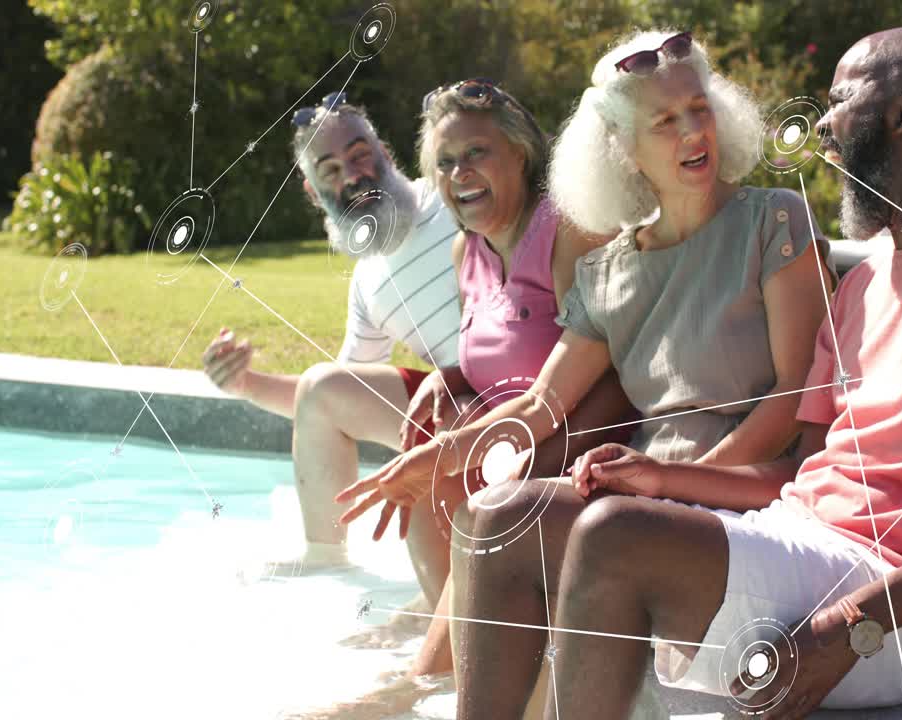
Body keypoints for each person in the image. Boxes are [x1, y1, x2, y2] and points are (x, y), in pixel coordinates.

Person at [451, 27, 902, 719]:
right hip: (796, 542)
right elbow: (800, 476)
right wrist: (664, 482)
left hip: (886, 611)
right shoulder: (865, 284)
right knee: (500, 517)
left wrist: (850, 627)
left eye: (840, 100)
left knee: (611, 536)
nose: (824, 127)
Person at [333, 30, 833, 716]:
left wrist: (684, 489)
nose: (693, 132)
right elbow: (541, 402)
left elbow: (798, 393)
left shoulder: (773, 220)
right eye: (665, 120)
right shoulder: (607, 273)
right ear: (623, 148)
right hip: (648, 508)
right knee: (493, 515)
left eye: (699, 108)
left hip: (744, 503)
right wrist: (437, 457)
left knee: (533, 523)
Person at [200, 92, 460, 574]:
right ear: (311, 188)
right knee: (322, 392)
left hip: (513, 394)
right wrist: (246, 385)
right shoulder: (368, 281)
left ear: (384, 150)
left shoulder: (451, 202)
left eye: (360, 155)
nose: (353, 176)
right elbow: (331, 395)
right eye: (331, 170)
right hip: (459, 409)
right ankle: (325, 560)